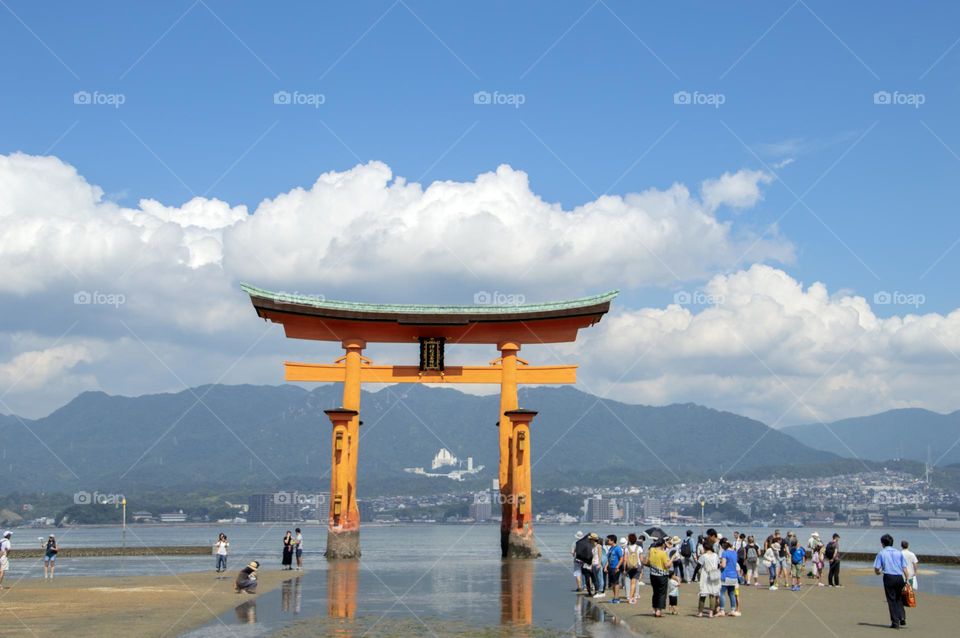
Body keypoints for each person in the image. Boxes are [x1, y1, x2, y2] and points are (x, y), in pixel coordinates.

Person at [874, 534, 908, 629]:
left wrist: (878, 572)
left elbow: (877, 568)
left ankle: (895, 622)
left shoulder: (881, 553)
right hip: (899, 577)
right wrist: (907, 579)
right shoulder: (899, 552)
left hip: (889, 577)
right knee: (899, 598)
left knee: (891, 599)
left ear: (883, 543)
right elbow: (904, 568)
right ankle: (902, 617)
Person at [644, 538, 672, 617]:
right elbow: (667, 565)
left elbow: (648, 561)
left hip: (653, 575)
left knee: (655, 592)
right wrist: (672, 558)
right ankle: (658, 611)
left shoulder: (652, 550)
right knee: (662, 593)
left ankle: (654, 609)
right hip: (661, 575)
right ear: (663, 544)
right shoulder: (663, 553)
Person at [697, 539, 720, 618]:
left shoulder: (703, 556)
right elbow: (718, 565)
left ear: (705, 547)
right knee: (712, 594)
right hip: (714, 575)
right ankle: (710, 613)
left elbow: (698, 566)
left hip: (705, 575)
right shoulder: (715, 555)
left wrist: (694, 576)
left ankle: (700, 612)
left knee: (703, 594)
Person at [718, 539, 741, 616]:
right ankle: (733, 610)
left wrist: (719, 565)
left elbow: (723, 565)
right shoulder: (734, 552)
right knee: (731, 593)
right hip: (734, 576)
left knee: (722, 593)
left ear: (723, 545)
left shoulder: (725, 553)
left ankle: (722, 610)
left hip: (726, 575)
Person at [624, 533, 642, 604]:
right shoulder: (639, 548)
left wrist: (624, 569)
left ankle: (632, 597)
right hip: (637, 566)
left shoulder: (626, 548)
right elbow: (641, 559)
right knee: (634, 583)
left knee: (631, 582)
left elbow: (625, 559)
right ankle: (631, 598)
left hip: (629, 567)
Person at [605, 535, 624, 602]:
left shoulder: (617, 548)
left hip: (615, 568)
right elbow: (608, 559)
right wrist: (605, 567)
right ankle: (614, 597)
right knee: (612, 583)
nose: (607, 541)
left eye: (608, 540)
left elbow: (621, 559)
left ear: (612, 540)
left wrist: (617, 566)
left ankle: (616, 598)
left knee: (616, 583)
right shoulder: (610, 548)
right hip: (610, 567)